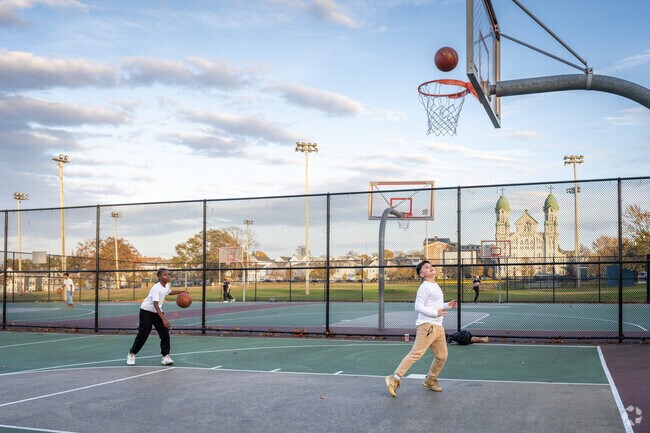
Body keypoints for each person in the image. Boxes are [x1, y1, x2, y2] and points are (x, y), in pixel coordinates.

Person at [385, 260, 457, 397]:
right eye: (426, 267)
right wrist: (435, 313)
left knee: (442, 356)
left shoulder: (434, 285)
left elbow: (433, 304)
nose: (430, 268)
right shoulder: (424, 287)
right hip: (427, 326)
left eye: (431, 266)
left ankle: (430, 380)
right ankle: (394, 379)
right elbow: (418, 307)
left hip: (438, 327)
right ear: (422, 274)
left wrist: (447, 305)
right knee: (416, 353)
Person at [126, 269, 186, 366]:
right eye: (165, 275)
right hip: (146, 311)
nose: (168, 276)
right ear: (159, 277)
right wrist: (164, 319)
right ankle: (132, 353)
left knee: (165, 333)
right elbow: (155, 304)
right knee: (143, 334)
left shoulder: (166, 285)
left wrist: (182, 292)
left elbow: (169, 292)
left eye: (169, 274)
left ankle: (165, 356)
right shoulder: (156, 288)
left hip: (156, 311)